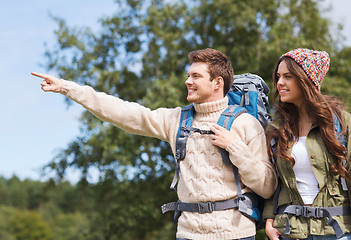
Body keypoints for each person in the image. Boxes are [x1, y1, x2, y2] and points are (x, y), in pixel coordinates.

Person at [32, 48, 277, 240]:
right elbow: (124, 112)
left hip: (235, 235)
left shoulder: (246, 124)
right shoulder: (176, 119)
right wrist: (67, 88)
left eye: (196, 76)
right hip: (188, 234)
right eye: (188, 75)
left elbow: (267, 187)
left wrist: (235, 147)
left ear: (217, 83)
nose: (187, 81)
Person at [263, 48, 351, 240]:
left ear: (306, 80)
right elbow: (274, 180)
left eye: (287, 76)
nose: (279, 83)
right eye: (278, 76)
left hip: (335, 232)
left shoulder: (340, 122)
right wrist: (269, 221)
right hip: (289, 230)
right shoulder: (277, 128)